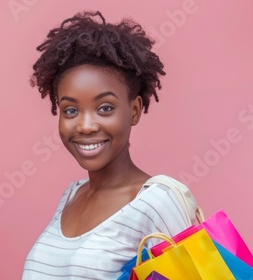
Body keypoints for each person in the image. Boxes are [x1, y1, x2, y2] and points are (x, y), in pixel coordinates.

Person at [22, 11, 200, 279]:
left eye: (105, 108)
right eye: (70, 110)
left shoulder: (157, 200)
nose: (85, 125)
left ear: (135, 110)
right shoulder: (71, 195)